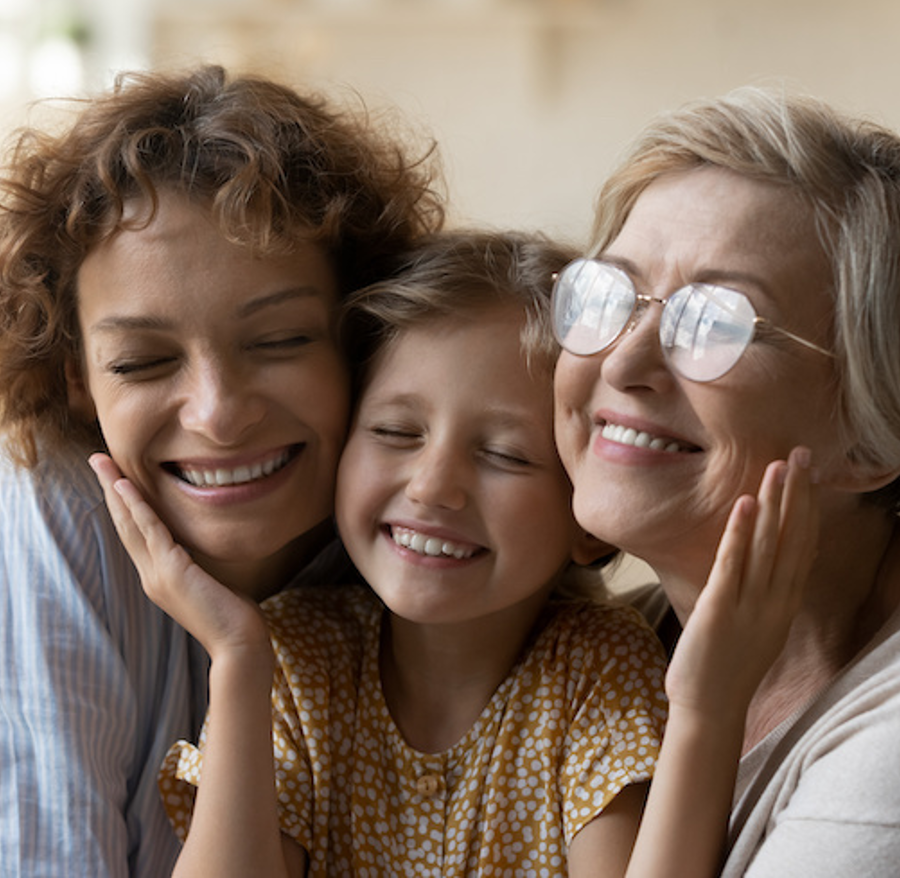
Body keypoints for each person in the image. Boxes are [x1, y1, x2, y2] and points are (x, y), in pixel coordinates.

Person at [92, 228, 819, 878]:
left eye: (504, 455)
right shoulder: (295, 660)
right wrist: (239, 657)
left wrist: (705, 709)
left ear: (589, 517)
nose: (435, 487)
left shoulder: (598, 670)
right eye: (396, 434)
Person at [0, 63, 443, 877]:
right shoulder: (56, 510)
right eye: (140, 362)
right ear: (76, 377)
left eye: (279, 341)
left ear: (362, 335)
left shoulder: (430, 531)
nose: (218, 413)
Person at [552, 85, 900, 876]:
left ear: (874, 436)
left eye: (715, 322)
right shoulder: (605, 651)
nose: (623, 362)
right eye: (609, 295)